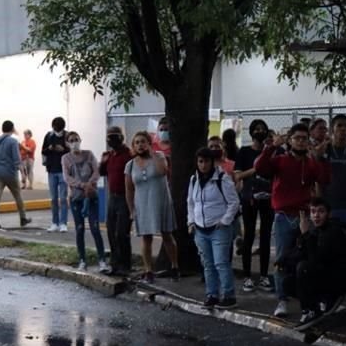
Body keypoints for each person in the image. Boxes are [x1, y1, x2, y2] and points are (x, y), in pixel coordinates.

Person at [255, 122, 330, 318]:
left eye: (304, 139)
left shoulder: (311, 162)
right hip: (283, 216)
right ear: (289, 140)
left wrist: (321, 158)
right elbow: (260, 167)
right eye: (297, 138)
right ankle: (282, 300)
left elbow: (324, 179)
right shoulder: (280, 160)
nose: (301, 142)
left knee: (311, 259)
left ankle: (314, 299)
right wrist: (271, 146)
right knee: (281, 259)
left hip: (305, 216)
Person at [188, 147, 241, 308]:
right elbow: (190, 202)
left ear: (212, 162)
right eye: (200, 161)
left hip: (219, 229)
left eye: (206, 161)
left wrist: (225, 221)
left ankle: (229, 295)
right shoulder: (194, 180)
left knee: (221, 263)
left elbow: (234, 202)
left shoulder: (222, 179)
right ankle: (212, 295)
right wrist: (191, 222)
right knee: (208, 264)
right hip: (200, 229)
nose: (203, 165)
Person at [125, 131, 178, 283]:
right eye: (137, 142)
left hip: (161, 201)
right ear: (133, 146)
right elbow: (129, 189)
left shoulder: (159, 157)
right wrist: (131, 210)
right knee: (146, 238)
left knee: (167, 235)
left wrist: (153, 153)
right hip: (142, 204)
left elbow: (163, 171)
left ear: (149, 143)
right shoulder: (130, 165)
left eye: (143, 142)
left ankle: (175, 266)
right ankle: (148, 271)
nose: (140, 145)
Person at [290, 198, 346, 327]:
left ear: (329, 214)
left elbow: (316, 260)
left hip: (337, 280)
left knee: (303, 268)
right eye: (313, 212)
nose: (316, 216)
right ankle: (315, 305)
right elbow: (298, 253)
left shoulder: (333, 231)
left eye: (320, 212)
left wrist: (306, 235)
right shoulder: (314, 230)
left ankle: (313, 309)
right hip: (322, 274)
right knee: (288, 279)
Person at [234, 119, 274, 293]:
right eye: (256, 129)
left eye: (263, 129)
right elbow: (238, 176)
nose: (259, 132)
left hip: (268, 199)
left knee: (265, 237)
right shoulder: (244, 152)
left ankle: (264, 275)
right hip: (249, 198)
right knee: (249, 236)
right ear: (250, 132)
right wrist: (256, 169)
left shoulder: (273, 152)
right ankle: (247, 276)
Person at [62, 131, 107, 272]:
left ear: (80, 140)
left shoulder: (89, 154)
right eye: (71, 140)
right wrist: (82, 185)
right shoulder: (66, 158)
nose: (74, 142)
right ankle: (82, 260)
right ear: (67, 143)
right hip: (76, 198)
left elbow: (96, 170)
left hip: (91, 196)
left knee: (95, 228)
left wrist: (90, 183)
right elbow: (67, 177)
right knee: (79, 229)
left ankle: (102, 260)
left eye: (76, 139)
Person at [99, 126, 133, 276]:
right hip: (112, 196)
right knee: (111, 231)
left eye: (115, 136)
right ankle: (115, 264)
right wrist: (103, 161)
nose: (111, 139)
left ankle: (126, 265)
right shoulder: (109, 155)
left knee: (122, 233)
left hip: (125, 197)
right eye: (109, 137)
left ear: (121, 137)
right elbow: (102, 173)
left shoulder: (128, 156)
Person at [0, 120, 31, 230]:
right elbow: (17, 160)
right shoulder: (12, 142)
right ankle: (23, 218)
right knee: (18, 196)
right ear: (12, 129)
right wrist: (23, 175)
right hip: (10, 173)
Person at [323, 114, 346, 227]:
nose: (343, 129)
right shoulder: (325, 149)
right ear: (332, 128)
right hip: (329, 203)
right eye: (339, 125)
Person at [41, 117, 69, 232]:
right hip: (52, 169)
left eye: (58, 127)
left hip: (63, 170)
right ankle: (54, 222)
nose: (56, 129)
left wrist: (63, 149)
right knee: (53, 199)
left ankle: (63, 223)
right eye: (55, 127)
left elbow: (73, 151)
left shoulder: (67, 136)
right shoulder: (49, 136)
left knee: (63, 198)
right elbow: (43, 151)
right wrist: (51, 148)